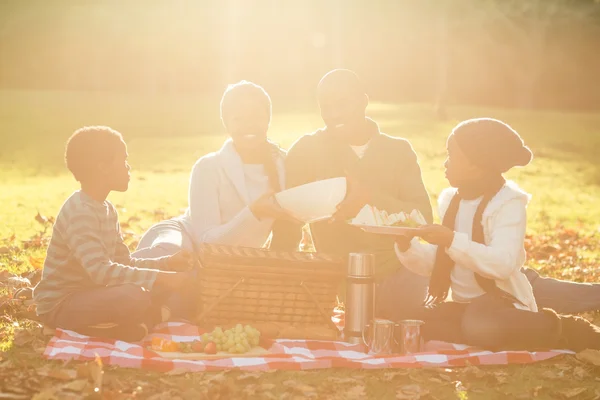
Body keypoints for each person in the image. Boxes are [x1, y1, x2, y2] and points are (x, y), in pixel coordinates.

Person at [394, 118, 600, 351]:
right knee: (416, 321)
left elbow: (502, 264)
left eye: (452, 155)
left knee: (482, 326)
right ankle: (476, 333)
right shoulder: (452, 201)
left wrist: (450, 239)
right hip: (464, 305)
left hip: (501, 302)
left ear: (476, 164)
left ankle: (565, 327)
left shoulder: (508, 203)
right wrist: (407, 244)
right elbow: (442, 260)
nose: (445, 163)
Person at [270, 69, 434, 321]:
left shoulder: (398, 151)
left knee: (400, 325)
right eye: (326, 106)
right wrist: (277, 281)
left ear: (363, 101)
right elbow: (288, 225)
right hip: (339, 280)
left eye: (342, 103)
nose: (334, 114)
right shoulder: (306, 151)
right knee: (362, 323)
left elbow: (422, 218)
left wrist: (368, 198)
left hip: (399, 274)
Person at [33, 126, 195, 342]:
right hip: (63, 304)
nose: (128, 167)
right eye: (123, 160)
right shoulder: (80, 211)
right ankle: (115, 327)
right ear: (103, 167)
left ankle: (142, 320)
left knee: (169, 282)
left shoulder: (106, 208)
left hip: (94, 292)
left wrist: (167, 263)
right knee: (133, 296)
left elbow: (124, 261)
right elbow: (100, 271)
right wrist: (161, 279)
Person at [133, 81, 294, 258]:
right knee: (175, 263)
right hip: (182, 241)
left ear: (268, 120)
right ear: (226, 124)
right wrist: (253, 212)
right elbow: (205, 243)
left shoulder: (284, 165)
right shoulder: (208, 167)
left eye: (257, 117)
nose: (249, 124)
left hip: (230, 260)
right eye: (238, 118)